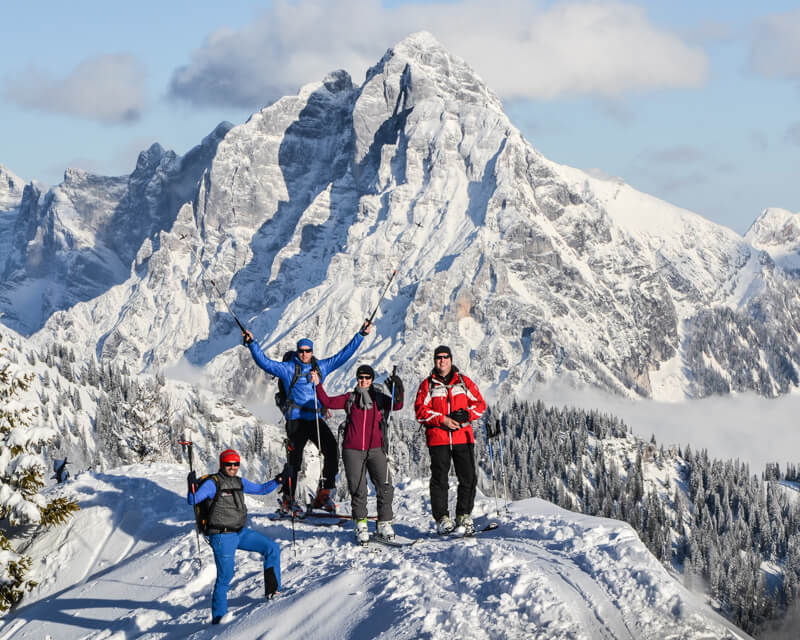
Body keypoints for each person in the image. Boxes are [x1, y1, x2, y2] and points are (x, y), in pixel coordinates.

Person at [242, 322, 371, 516]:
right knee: (294, 461)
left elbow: (343, 355)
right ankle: (288, 499)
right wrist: (252, 344)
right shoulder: (288, 368)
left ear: (312, 351)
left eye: (307, 351)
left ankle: (324, 493)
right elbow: (265, 363)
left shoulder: (321, 368)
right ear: (297, 351)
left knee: (331, 450)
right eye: (301, 351)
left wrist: (361, 334)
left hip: (314, 419)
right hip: (295, 421)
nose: (304, 354)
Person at [187, 449, 283, 625]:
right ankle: (219, 620)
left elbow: (261, 490)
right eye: (229, 464)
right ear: (222, 464)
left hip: (240, 532)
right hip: (222, 536)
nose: (233, 467)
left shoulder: (239, 481)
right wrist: (191, 485)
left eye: (236, 464)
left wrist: (278, 480)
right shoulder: (212, 484)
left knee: (271, 548)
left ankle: (273, 591)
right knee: (225, 577)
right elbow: (193, 500)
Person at [312, 364, 403, 544]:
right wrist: (317, 385)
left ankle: (384, 522)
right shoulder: (350, 398)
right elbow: (328, 402)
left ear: (371, 379)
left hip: (376, 449)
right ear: (357, 379)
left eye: (367, 378)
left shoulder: (379, 399)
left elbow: (397, 405)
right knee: (358, 488)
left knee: (385, 485)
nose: (363, 381)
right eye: (361, 377)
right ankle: (361, 523)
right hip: (352, 450)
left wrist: (398, 388)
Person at [414, 345, 486, 535]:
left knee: (468, 477)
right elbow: (420, 412)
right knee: (439, 480)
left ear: (451, 359)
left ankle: (463, 515)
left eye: (446, 357)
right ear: (434, 360)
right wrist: (442, 419)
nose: (442, 360)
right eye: (438, 357)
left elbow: (480, 405)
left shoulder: (463, 382)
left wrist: (466, 415)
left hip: (463, 437)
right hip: (439, 439)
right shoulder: (428, 385)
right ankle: (442, 519)